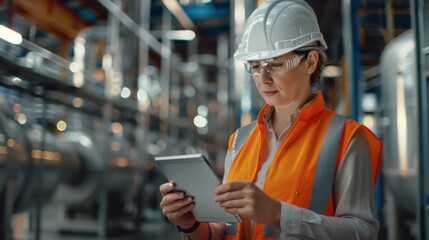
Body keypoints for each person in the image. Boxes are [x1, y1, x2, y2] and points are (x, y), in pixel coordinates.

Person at [159, 0, 382, 239]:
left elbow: (363, 232)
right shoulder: (240, 140)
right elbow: (224, 231)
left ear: (310, 62)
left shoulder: (348, 138)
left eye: (275, 65)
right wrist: (190, 224)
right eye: (254, 66)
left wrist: (278, 214)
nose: (263, 78)